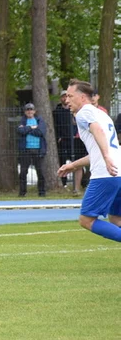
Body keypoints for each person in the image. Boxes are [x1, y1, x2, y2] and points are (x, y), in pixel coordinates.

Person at [57, 79, 121, 244]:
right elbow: (99, 149)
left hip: (105, 174)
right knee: (116, 220)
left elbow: (97, 131)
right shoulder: (102, 114)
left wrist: (106, 157)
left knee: (86, 220)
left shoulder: (84, 113)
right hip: (117, 172)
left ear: (83, 97)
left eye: (70, 96)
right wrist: (73, 165)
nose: (67, 100)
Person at [16, 103, 47, 197]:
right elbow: (20, 131)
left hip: (38, 149)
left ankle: (42, 192)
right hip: (26, 150)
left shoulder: (39, 120)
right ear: (25, 112)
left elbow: (41, 132)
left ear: (34, 111)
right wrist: (32, 127)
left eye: (31, 109)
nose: (29, 111)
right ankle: (22, 193)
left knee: (40, 172)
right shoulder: (23, 120)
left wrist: (27, 130)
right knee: (23, 172)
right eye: (27, 110)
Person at [54, 91, 76, 189]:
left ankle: (80, 182)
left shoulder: (74, 111)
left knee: (76, 161)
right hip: (62, 140)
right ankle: (64, 183)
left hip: (74, 139)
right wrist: (58, 137)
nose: (65, 99)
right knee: (62, 161)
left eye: (67, 96)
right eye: (63, 96)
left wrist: (75, 134)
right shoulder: (56, 112)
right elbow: (55, 126)